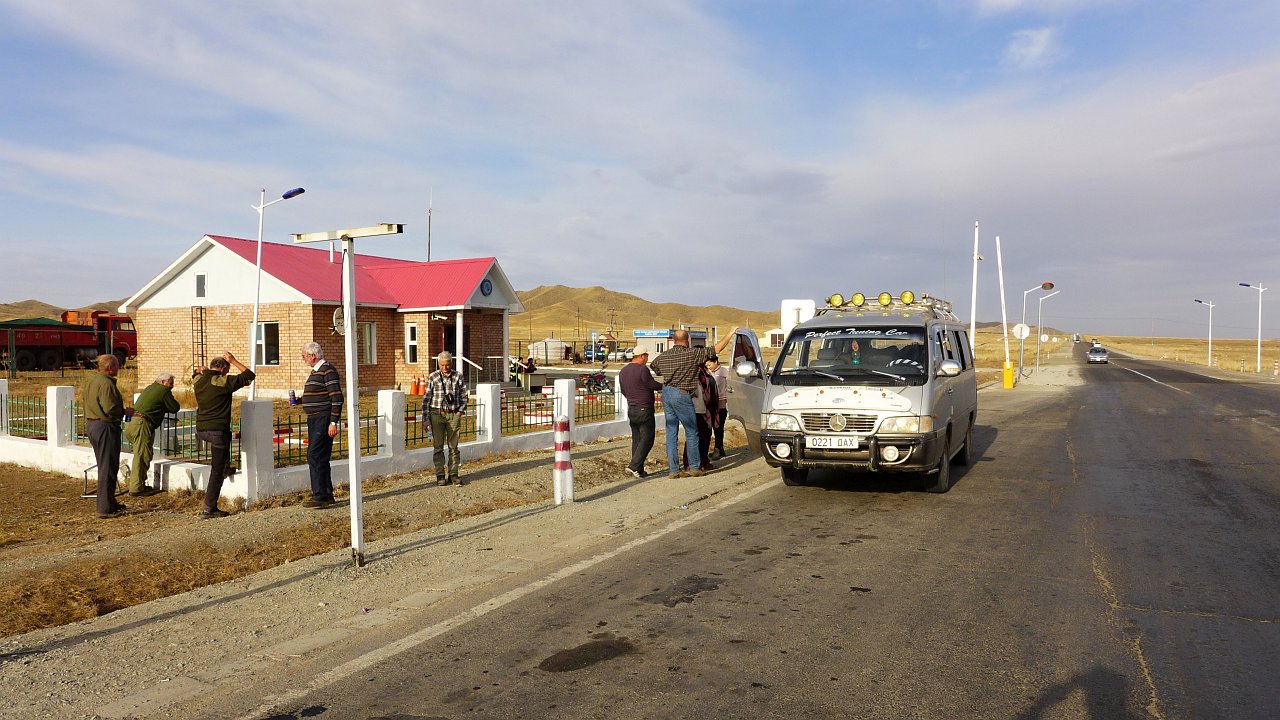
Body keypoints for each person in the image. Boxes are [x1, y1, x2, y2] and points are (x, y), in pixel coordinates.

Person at [649, 328, 737, 478]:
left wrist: (669, 373)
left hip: (667, 392)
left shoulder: (664, 356)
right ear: (688, 340)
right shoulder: (692, 354)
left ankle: (674, 470)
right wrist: (730, 333)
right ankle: (694, 467)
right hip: (682, 393)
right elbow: (717, 349)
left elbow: (654, 366)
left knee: (671, 433)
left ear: (674, 340)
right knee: (691, 431)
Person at [193, 351, 254, 519]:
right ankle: (209, 508)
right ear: (223, 369)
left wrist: (199, 370)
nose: (227, 373)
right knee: (216, 470)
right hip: (217, 429)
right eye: (227, 370)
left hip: (201, 429)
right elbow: (249, 376)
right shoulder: (222, 381)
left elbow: (194, 374)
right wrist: (233, 360)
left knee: (224, 446)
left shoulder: (198, 380)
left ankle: (227, 467)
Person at [299, 342, 343, 508]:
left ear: (313, 356)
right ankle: (326, 494)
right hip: (314, 419)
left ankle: (319, 495)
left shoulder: (327, 370)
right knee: (321, 457)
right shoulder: (316, 371)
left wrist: (333, 422)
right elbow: (321, 394)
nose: (303, 359)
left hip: (322, 419)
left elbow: (336, 397)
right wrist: (302, 400)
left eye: (304, 356)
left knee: (314, 455)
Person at [83, 354, 127, 518]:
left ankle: (110, 502)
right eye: (116, 365)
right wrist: (125, 411)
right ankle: (105, 508)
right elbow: (110, 408)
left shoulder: (93, 380)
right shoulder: (106, 384)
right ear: (109, 367)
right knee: (108, 467)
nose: (119, 368)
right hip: (105, 426)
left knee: (105, 465)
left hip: (93, 424)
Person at [122, 373, 179, 496]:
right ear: (163, 382)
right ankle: (136, 489)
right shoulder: (163, 390)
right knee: (142, 456)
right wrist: (165, 407)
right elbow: (175, 407)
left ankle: (139, 484)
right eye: (170, 383)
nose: (172, 386)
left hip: (131, 422)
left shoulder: (150, 388)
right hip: (142, 424)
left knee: (141, 454)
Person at [619, 343, 662, 478]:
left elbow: (623, 390)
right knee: (647, 438)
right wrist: (664, 386)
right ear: (642, 356)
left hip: (632, 408)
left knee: (637, 439)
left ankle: (638, 469)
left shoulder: (623, 370)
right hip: (644, 408)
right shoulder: (642, 370)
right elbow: (651, 384)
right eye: (646, 356)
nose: (647, 359)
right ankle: (633, 465)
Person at [424, 351, 467, 485]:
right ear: (438, 364)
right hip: (436, 414)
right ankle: (440, 475)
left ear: (451, 363)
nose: (444, 368)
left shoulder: (458, 376)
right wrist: (426, 419)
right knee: (438, 447)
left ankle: (453, 474)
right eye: (442, 365)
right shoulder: (433, 377)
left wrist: (459, 412)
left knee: (453, 446)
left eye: (447, 365)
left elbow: (464, 396)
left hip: (453, 414)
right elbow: (426, 399)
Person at [705, 355, 730, 460]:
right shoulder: (707, 372)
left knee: (718, 427)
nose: (708, 367)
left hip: (720, 403)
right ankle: (720, 448)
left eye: (709, 364)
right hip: (710, 404)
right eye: (706, 365)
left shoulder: (724, 372)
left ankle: (718, 449)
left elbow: (730, 385)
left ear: (715, 362)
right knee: (711, 427)